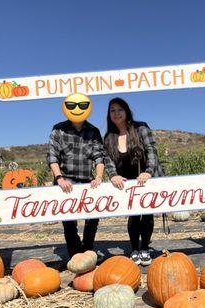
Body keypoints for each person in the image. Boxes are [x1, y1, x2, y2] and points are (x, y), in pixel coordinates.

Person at [103, 97, 165, 266]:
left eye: (119, 109)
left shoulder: (141, 128)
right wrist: (112, 175)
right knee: (133, 214)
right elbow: (107, 160)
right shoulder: (109, 136)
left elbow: (152, 151)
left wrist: (148, 172)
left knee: (147, 213)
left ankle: (145, 247)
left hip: (146, 177)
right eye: (112, 110)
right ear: (109, 115)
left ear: (126, 111)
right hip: (128, 181)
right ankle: (134, 249)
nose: (116, 113)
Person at [47, 92, 105, 259]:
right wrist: (59, 178)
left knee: (93, 216)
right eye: (72, 106)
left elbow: (98, 157)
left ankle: (87, 248)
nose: (77, 109)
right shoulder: (58, 129)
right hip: (65, 181)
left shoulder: (94, 131)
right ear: (66, 108)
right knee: (69, 221)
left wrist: (99, 177)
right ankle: (74, 252)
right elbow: (52, 157)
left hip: (87, 181)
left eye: (82, 106)